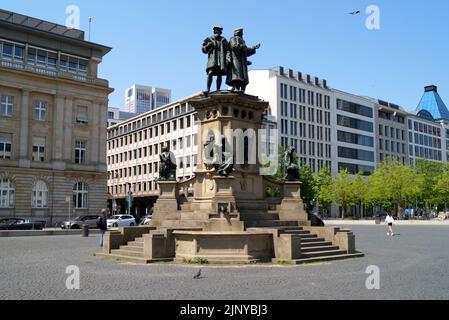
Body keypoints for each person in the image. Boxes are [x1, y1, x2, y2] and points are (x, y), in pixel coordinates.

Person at [226, 28, 260, 92]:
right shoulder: (233, 39)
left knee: (243, 76)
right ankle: (235, 87)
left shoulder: (242, 41)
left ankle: (241, 89)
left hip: (242, 61)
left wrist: (253, 48)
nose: (242, 34)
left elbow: (246, 51)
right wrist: (243, 46)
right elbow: (234, 47)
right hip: (235, 60)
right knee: (236, 75)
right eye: (241, 33)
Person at [202, 26, 229, 93]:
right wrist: (208, 45)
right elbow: (203, 50)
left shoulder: (223, 40)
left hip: (221, 59)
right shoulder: (209, 39)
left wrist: (228, 58)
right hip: (212, 59)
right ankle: (208, 89)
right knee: (210, 73)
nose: (217, 32)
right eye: (216, 30)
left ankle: (218, 89)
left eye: (218, 31)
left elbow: (228, 50)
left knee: (219, 74)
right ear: (214, 31)